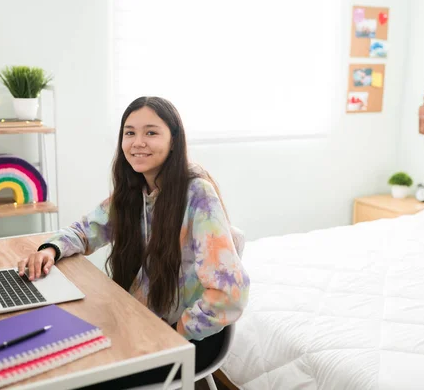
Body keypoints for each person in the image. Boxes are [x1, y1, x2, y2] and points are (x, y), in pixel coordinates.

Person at [17, 96, 250, 388]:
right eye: (130, 133)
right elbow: (86, 229)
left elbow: (231, 291)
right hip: (142, 320)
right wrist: (50, 249)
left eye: (151, 132)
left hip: (187, 338)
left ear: (174, 140)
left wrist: (178, 331)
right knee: (50, 351)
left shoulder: (197, 193)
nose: (138, 142)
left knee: (74, 376)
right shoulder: (135, 190)